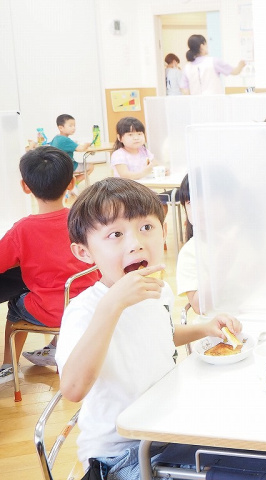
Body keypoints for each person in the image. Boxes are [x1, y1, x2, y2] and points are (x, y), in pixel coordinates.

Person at [56, 178, 242, 477]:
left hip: (168, 430)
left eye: (146, 227)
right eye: (115, 234)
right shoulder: (86, 310)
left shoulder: (157, 290)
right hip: (120, 454)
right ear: (84, 252)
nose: (136, 243)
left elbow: (160, 335)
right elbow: (73, 388)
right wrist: (111, 307)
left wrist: (205, 328)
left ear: (164, 232)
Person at [0, 147, 99, 380]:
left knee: (16, 302)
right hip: (90, 305)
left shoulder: (22, 230)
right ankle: (55, 347)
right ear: (71, 183)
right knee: (63, 285)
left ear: (25, 186)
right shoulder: (85, 220)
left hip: (51, 312)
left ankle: (8, 365)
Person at [179, 34, 245, 96]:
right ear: (202, 46)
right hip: (215, 102)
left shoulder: (187, 67)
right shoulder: (213, 61)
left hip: (196, 103)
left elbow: (184, 90)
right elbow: (235, 71)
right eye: (206, 45)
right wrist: (241, 65)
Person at [175, 174, 200, 313]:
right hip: (218, 322)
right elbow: (198, 307)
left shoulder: (245, 238)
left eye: (206, 200)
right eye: (190, 202)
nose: (198, 209)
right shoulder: (190, 252)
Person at [50, 113, 94, 188]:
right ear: (61, 128)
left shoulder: (56, 138)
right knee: (91, 166)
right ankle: (74, 183)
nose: (73, 128)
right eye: (70, 126)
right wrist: (88, 143)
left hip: (57, 167)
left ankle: (71, 183)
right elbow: (81, 149)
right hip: (68, 167)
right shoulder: (65, 140)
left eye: (74, 125)